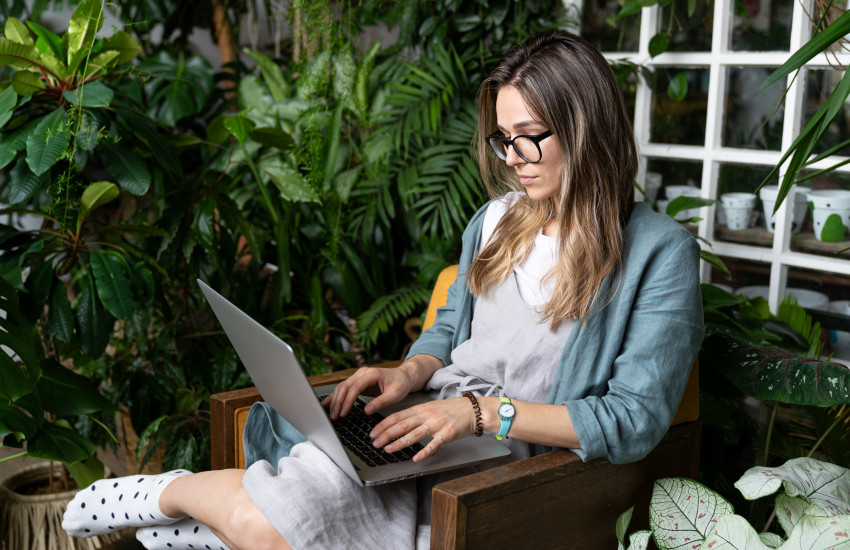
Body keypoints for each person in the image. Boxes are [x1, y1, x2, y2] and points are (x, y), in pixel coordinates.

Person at [62, 30, 703, 550]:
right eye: (504, 139)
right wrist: (410, 371)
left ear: (585, 127)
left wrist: (480, 415)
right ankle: (193, 509)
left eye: (531, 134)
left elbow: (635, 420)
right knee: (285, 511)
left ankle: (176, 498)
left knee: (263, 527)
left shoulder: (656, 252)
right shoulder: (496, 220)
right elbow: (451, 331)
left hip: (517, 459)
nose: (513, 156)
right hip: (432, 429)